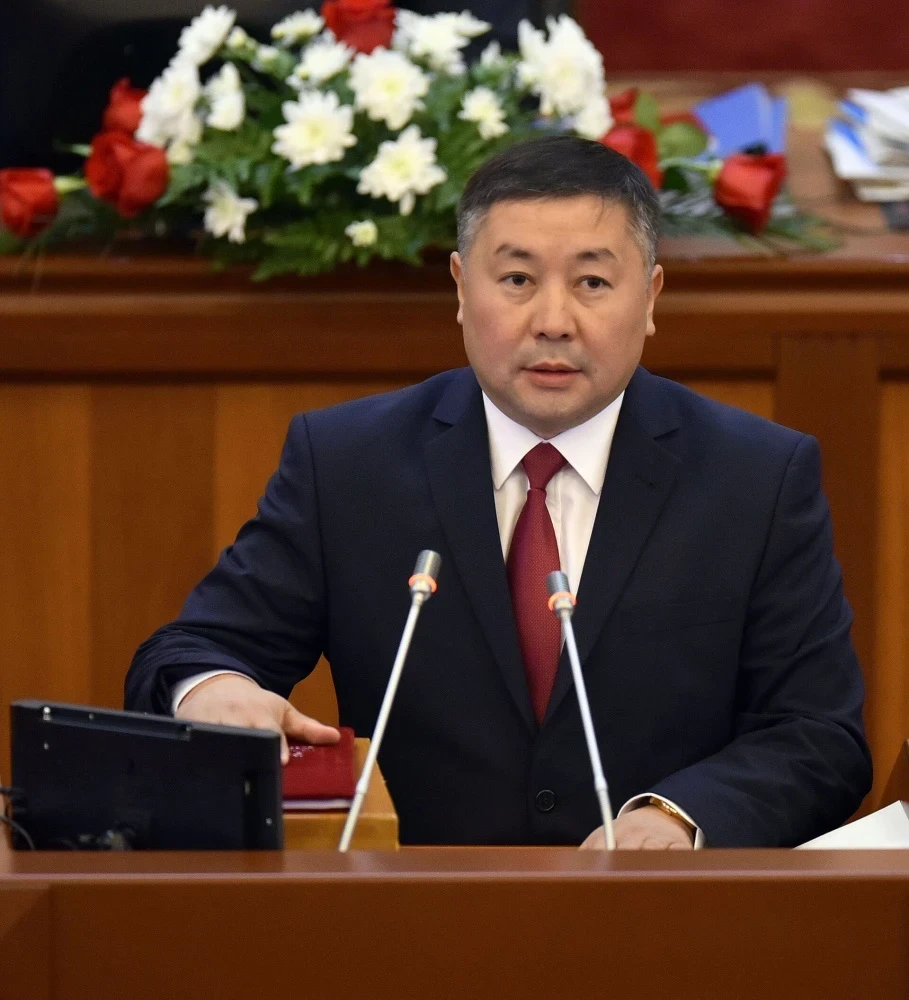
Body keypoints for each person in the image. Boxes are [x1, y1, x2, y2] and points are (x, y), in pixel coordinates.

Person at [125, 135, 873, 849]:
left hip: (656, 915)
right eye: (517, 280)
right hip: (412, 913)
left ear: (649, 297)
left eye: (591, 283)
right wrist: (211, 689)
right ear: (460, 287)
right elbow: (191, 650)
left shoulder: (755, 478)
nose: (552, 322)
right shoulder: (348, 464)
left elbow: (818, 734)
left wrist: (680, 818)